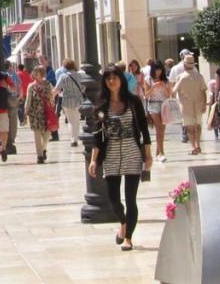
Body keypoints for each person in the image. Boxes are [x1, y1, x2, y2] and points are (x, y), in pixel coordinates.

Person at [88, 65, 152, 252]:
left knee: (131, 199)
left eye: (115, 77)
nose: (111, 81)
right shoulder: (101, 106)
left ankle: (129, 238)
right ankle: (123, 223)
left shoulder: (133, 102)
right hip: (111, 154)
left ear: (121, 80)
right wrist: (93, 159)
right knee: (113, 199)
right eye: (108, 78)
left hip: (132, 151)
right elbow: (97, 135)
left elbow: (143, 128)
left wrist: (147, 154)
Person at [174, 55, 208, 155]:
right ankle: (198, 145)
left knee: (189, 128)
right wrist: (204, 104)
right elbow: (203, 91)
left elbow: (174, 90)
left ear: (184, 65)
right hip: (198, 104)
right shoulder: (199, 76)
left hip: (186, 106)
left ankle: (193, 146)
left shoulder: (180, 77)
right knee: (198, 126)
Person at [24, 66, 56, 163]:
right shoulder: (31, 86)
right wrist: (25, 113)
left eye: (37, 73)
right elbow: (28, 100)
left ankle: (43, 149)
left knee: (46, 135)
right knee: (37, 134)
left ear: (42, 74)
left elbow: (52, 97)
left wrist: (51, 100)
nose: (34, 74)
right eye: (34, 72)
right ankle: (40, 156)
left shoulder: (48, 84)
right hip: (34, 114)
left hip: (46, 113)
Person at [143, 63, 171, 162]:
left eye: (159, 69)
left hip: (164, 105)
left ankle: (157, 152)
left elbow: (168, 95)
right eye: (156, 69)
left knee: (162, 130)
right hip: (153, 104)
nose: (158, 72)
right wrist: (154, 86)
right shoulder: (148, 80)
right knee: (159, 128)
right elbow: (146, 95)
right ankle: (162, 153)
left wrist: (163, 86)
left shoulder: (166, 80)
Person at [55, 60, 85, 147]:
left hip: (67, 101)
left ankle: (73, 139)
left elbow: (57, 89)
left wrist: (51, 97)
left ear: (65, 67)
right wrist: (80, 92)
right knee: (77, 120)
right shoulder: (80, 75)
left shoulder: (63, 76)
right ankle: (75, 137)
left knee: (71, 121)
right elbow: (84, 87)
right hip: (78, 100)